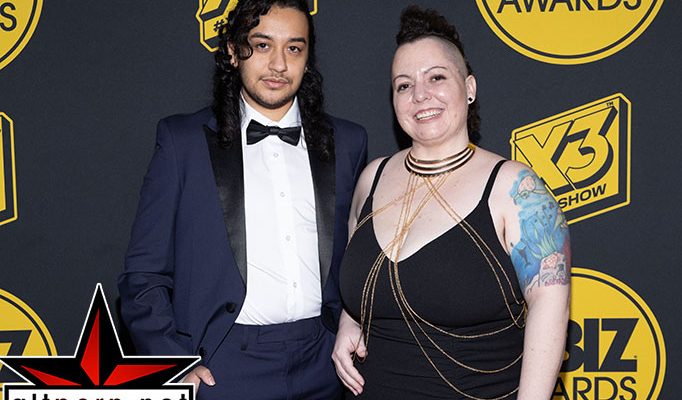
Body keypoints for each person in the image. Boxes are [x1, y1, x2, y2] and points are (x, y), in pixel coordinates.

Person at [118, 0, 367, 398]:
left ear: (307, 59)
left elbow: (361, 259)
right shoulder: (183, 142)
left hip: (324, 362)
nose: (279, 64)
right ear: (234, 52)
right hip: (223, 365)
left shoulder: (348, 142)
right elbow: (143, 275)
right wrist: (174, 362)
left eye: (294, 48)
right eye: (262, 45)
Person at [333, 6, 569, 400]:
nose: (420, 95)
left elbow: (550, 307)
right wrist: (349, 319)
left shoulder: (515, 188)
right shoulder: (371, 179)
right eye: (404, 85)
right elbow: (359, 278)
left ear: (469, 87)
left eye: (436, 77)